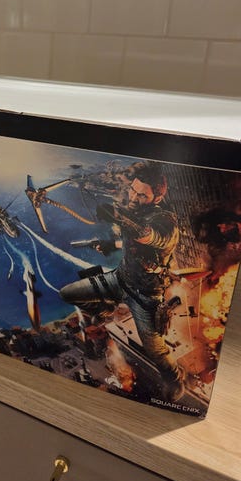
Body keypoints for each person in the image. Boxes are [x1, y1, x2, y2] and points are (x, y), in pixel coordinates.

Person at [60, 162, 184, 402]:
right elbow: (132, 242)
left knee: (156, 352)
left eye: (142, 195)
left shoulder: (166, 222)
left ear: (158, 197)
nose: (134, 198)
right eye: (133, 191)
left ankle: (175, 378)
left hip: (146, 297)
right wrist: (111, 245)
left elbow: (149, 236)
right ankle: (106, 309)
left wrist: (120, 217)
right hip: (119, 279)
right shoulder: (137, 210)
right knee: (68, 293)